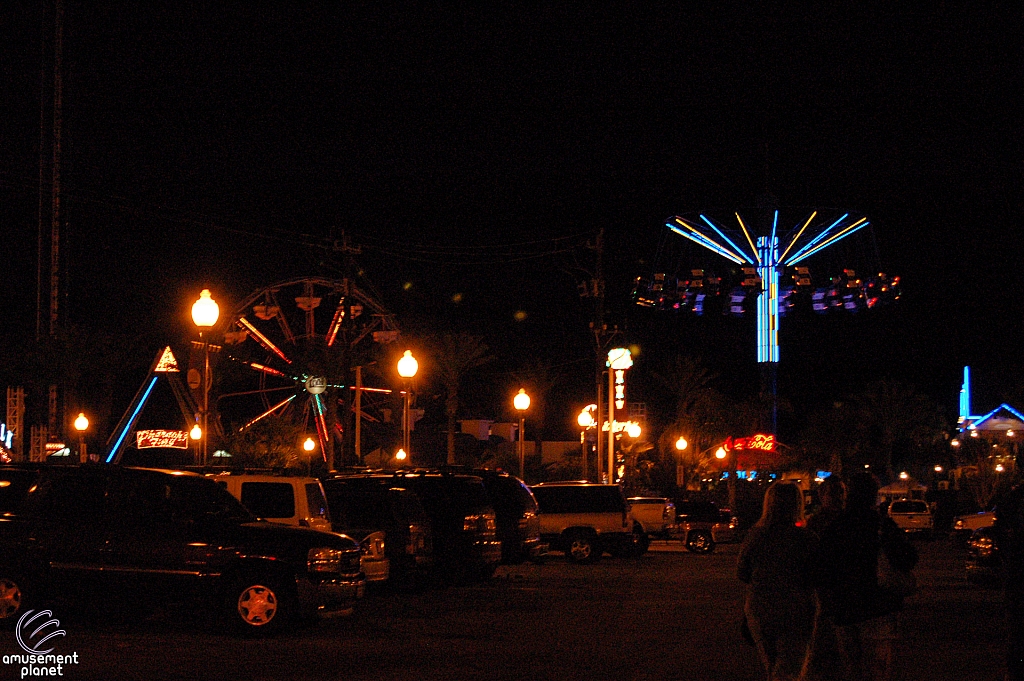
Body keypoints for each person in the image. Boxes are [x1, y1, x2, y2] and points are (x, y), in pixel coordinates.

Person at [815, 472, 916, 681]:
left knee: (852, 668)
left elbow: (821, 568)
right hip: (879, 606)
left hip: (845, 608)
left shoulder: (836, 527)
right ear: (872, 496)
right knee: (877, 669)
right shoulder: (881, 525)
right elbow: (909, 557)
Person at [738, 482, 819, 680]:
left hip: (760, 606)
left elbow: (742, 572)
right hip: (795, 606)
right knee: (790, 667)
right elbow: (817, 574)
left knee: (772, 665)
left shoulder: (756, 535)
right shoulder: (805, 538)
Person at [805, 476, 846, 680]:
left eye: (841, 492)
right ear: (822, 496)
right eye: (833, 493)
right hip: (824, 591)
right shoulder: (816, 523)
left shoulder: (850, 520)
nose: (838, 497)